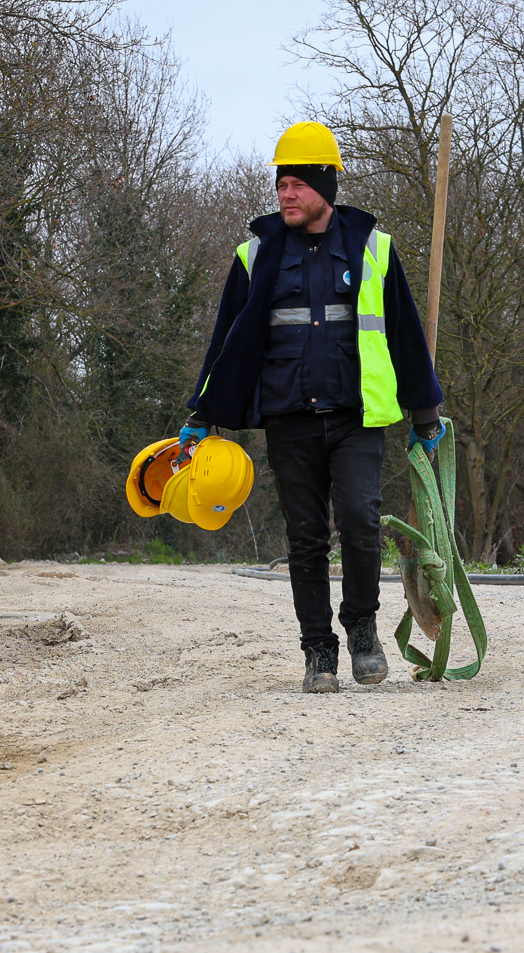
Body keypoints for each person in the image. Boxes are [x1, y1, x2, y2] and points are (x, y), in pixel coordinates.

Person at [183, 121, 446, 694]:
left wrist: (425, 415)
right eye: (280, 184)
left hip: (356, 418)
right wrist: (201, 412)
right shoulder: (255, 254)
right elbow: (225, 340)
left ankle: (361, 628)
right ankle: (318, 650)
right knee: (304, 537)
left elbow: (402, 335)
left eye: (297, 183)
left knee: (359, 520)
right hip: (288, 418)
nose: (285, 194)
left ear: (326, 185)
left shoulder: (373, 249)